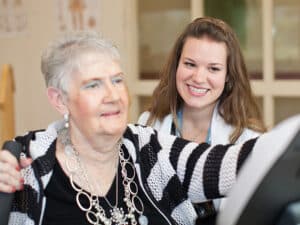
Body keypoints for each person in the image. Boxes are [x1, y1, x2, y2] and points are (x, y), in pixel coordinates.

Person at [0, 31, 258, 225]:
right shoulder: (27, 163)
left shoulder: (149, 148)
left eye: (117, 81)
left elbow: (228, 164)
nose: (113, 95)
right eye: (93, 85)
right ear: (60, 100)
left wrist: (290, 139)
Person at [137, 17, 266, 223]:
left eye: (213, 68)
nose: (198, 77)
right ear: (176, 66)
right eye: (190, 64)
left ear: (228, 76)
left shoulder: (248, 139)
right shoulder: (147, 124)